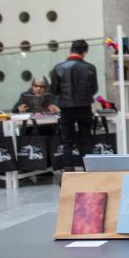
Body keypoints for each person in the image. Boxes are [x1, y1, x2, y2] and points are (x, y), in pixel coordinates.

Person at [50, 39, 98, 171]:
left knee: (67, 141)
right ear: (85, 52)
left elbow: (54, 90)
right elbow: (94, 89)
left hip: (66, 108)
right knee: (86, 139)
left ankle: (69, 171)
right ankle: (88, 170)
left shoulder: (58, 68)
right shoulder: (90, 67)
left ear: (70, 50)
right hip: (84, 107)